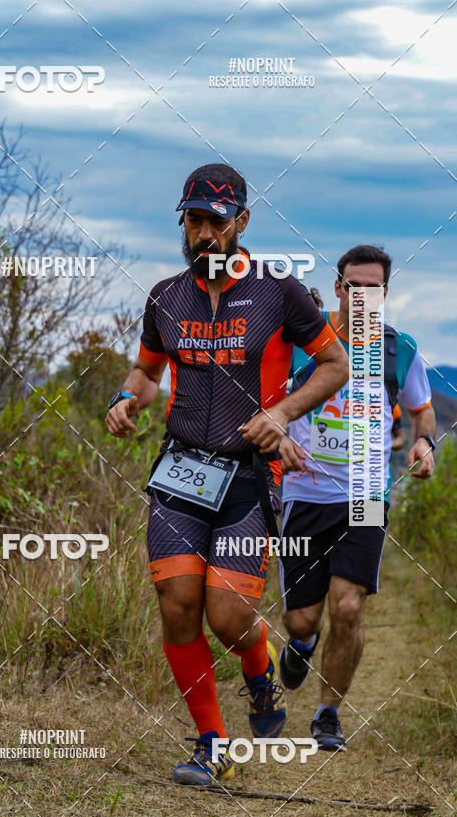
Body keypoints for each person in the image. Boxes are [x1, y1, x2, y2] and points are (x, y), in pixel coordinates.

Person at [105, 163, 348, 784]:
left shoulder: (278, 291)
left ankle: (261, 668)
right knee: (178, 604)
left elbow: (334, 364)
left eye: (218, 221)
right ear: (182, 223)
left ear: (242, 221)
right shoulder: (165, 296)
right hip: (181, 469)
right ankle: (211, 746)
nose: (205, 234)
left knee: (228, 616)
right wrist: (126, 398)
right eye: (194, 221)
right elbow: (147, 370)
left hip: (247, 477)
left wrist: (283, 412)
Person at [277, 245, 436, 751]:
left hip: (366, 495)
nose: (363, 294)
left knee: (348, 607)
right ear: (340, 286)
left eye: (373, 287)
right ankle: (301, 642)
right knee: (302, 617)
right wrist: (279, 435)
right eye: (353, 286)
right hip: (305, 495)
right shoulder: (303, 338)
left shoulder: (401, 349)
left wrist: (423, 442)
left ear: (385, 292)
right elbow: (267, 398)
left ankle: (327, 714)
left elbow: (422, 411)